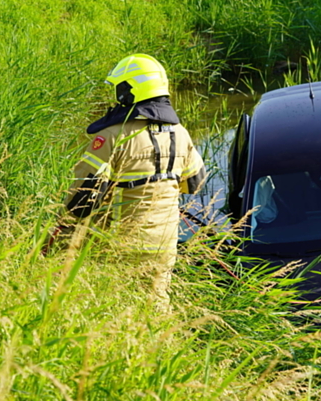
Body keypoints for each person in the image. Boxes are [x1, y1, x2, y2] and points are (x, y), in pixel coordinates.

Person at [49, 53, 207, 309]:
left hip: (122, 242)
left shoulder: (112, 136)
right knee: (156, 304)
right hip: (166, 242)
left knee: (117, 305)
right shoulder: (181, 133)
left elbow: (81, 201)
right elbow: (195, 184)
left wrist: (60, 229)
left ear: (127, 91)